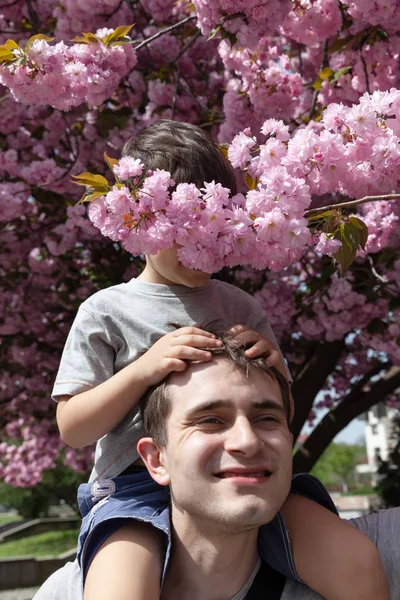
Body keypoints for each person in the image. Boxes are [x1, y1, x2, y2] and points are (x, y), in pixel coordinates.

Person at [53, 120, 389, 600]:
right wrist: (144, 369)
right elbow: (74, 427)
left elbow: (281, 412)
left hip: (247, 477)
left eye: (217, 226)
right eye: (185, 228)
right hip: (134, 492)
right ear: (140, 220)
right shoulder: (107, 311)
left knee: (354, 561)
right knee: (120, 589)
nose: (203, 245)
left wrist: (272, 366)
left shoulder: (241, 306)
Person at [34, 335, 400, 600]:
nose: (247, 441)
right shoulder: (71, 593)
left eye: (267, 418)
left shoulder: (371, 556)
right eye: (210, 420)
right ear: (156, 459)